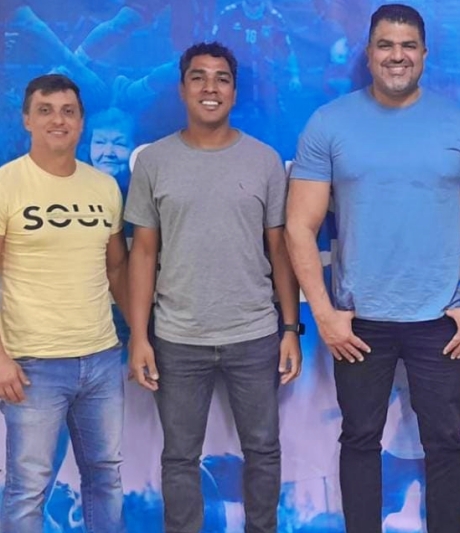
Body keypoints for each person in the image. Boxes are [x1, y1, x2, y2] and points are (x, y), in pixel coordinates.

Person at [284, 4, 460, 533]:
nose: (396, 56)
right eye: (385, 45)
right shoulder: (329, 123)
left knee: (445, 443)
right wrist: (325, 314)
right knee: (360, 441)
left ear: (424, 54)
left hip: (440, 320)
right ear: (369, 53)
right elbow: (298, 226)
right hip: (359, 322)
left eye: (407, 46)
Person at [125, 41, 301, 533]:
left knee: (263, 449)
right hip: (177, 338)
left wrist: (290, 329)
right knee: (180, 456)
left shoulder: (264, 160)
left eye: (222, 78)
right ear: (182, 89)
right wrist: (139, 336)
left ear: (234, 91)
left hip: (254, 333)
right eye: (198, 77)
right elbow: (142, 253)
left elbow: (280, 250)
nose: (210, 87)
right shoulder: (155, 161)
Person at [0, 73, 129, 533]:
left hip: (100, 358)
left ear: (81, 121)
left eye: (68, 111)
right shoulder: (7, 184)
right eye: (46, 110)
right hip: (32, 365)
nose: (58, 120)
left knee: (106, 478)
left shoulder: (103, 188)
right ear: (27, 120)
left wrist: (140, 335)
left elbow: (117, 269)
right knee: (27, 489)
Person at [86, 107, 137, 196]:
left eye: (119, 144)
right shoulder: (77, 190)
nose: (108, 153)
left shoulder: (146, 193)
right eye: (100, 142)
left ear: (134, 149)